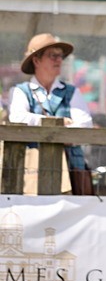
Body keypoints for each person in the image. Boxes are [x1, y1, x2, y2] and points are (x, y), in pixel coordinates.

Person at [9, 33, 94, 194]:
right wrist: (58, 122)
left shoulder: (72, 91)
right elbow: (17, 118)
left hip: (72, 169)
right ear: (36, 61)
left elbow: (85, 125)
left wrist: (45, 128)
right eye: (52, 55)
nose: (59, 60)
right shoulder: (21, 91)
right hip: (31, 171)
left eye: (60, 56)